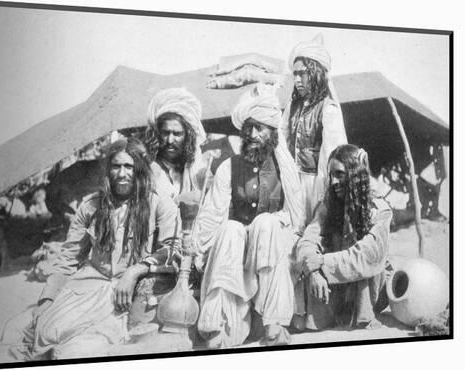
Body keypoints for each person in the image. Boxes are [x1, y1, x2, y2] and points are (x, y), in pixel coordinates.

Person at [0, 138, 181, 361]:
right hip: (87, 288)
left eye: (128, 166)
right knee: (37, 332)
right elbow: (68, 258)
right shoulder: (91, 205)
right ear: (108, 169)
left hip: (123, 295)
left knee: (75, 350)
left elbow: (171, 251)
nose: (122, 174)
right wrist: (47, 300)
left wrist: (134, 271)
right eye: (116, 166)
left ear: (139, 169)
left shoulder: (159, 204)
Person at [194, 86, 304, 348]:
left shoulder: (284, 169)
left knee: (266, 223)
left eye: (260, 128)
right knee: (231, 228)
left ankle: (273, 324)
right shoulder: (228, 167)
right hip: (239, 246)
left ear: (272, 133)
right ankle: (219, 326)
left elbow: (295, 215)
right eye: (249, 128)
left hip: (273, 243)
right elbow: (212, 215)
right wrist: (199, 247)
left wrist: (272, 224)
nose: (253, 134)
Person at [293, 144, 392, 331]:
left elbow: (365, 257)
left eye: (340, 174)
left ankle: (363, 318)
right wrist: (314, 272)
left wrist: (320, 262)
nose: (333, 182)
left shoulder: (379, 209)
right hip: (333, 282)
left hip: (367, 288)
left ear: (355, 175)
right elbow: (307, 241)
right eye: (331, 175)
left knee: (363, 266)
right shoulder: (328, 205)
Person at [282, 34, 348, 223]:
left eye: (301, 73)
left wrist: (322, 195)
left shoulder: (328, 109)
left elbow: (332, 158)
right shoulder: (292, 107)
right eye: (294, 74)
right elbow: (280, 138)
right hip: (292, 183)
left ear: (315, 72)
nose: (296, 80)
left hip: (315, 186)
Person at [144, 87, 211, 202]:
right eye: (165, 133)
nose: (170, 140)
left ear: (187, 137)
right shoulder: (147, 168)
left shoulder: (196, 166)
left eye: (177, 134)